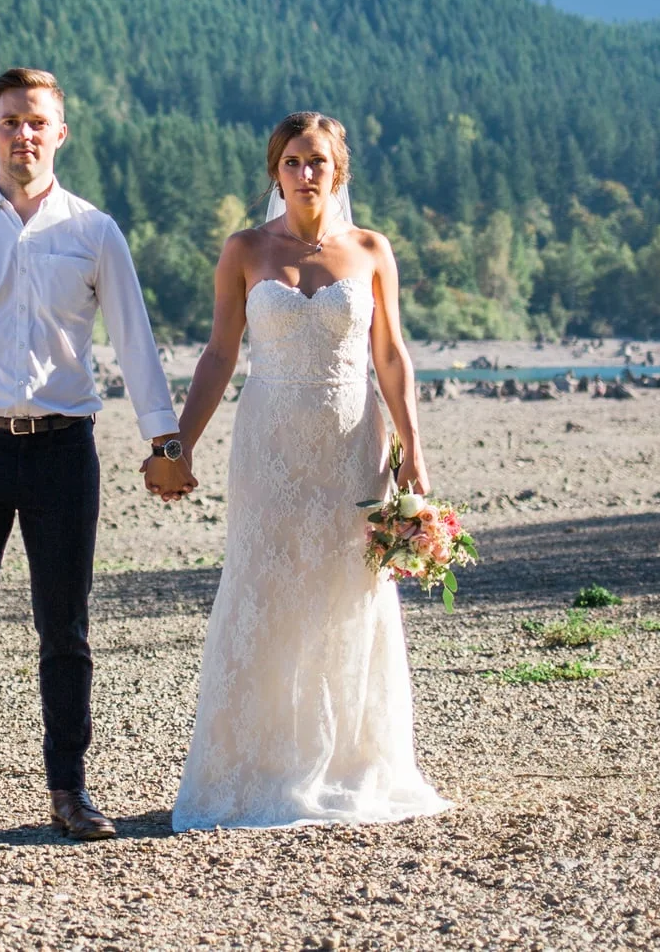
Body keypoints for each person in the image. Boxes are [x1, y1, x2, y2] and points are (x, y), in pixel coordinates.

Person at [146, 112, 451, 830]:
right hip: (270, 443)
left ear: (337, 170)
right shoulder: (245, 250)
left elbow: (392, 355)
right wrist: (176, 445)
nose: (304, 172)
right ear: (275, 171)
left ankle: (351, 764)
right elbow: (219, 355)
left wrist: (415, 446)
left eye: (317, 160)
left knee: (349, 592)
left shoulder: (372, 250)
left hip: (353, 443)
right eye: (291, 160)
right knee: (264, 586)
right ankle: (253, 768)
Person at [0, 67, 181, 849]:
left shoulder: (94, 232)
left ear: (60, 133)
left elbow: (135, 341)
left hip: (64, 450)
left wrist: (164, 443)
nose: (24, 133)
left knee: (65, 627)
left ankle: (69, 789)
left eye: (38, 122)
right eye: (10, 120)